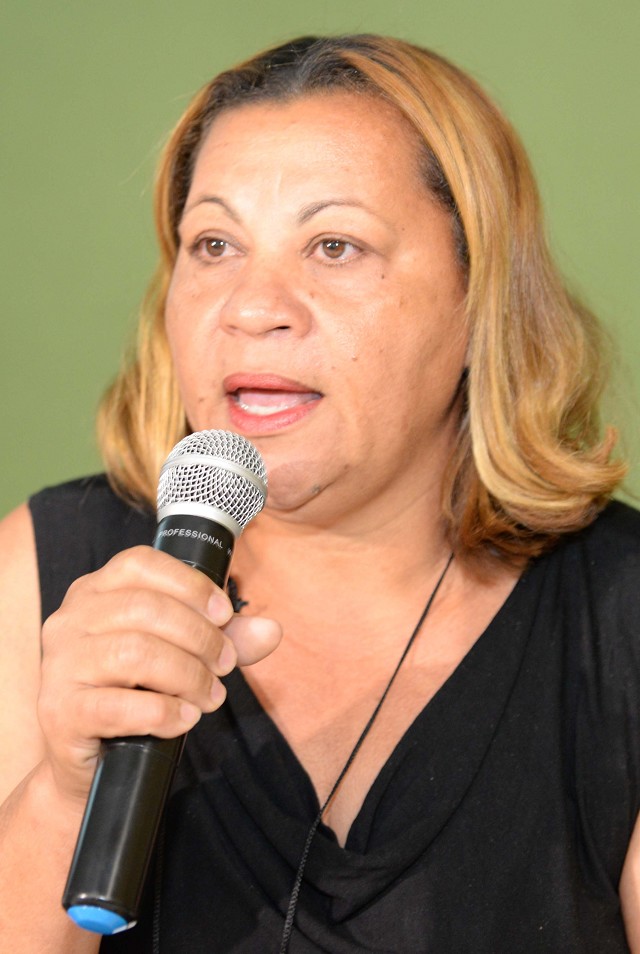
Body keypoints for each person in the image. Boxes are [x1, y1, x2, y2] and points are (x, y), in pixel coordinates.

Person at [0, 33, 637, 953]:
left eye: (334, 246)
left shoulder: (620, 613)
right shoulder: (40, 570)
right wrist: (64, 795)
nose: (252, 306)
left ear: (478, 299)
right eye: (214, 244)